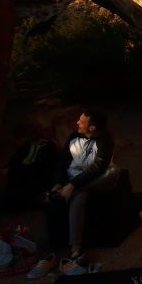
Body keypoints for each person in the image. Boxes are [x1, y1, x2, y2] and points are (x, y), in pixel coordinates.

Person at [50, 109, 120, 265]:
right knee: (80, 196)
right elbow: (63, 161)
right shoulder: (73, 137)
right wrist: (58, 183)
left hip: (96, 180)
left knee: (114, 171)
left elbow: (98, 167)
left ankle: (71, 191)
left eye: (81, 121)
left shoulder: (105, 139)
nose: (77, 123)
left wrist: (72, 186)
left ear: (92, 128)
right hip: (76, 179)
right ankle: (75, 248)